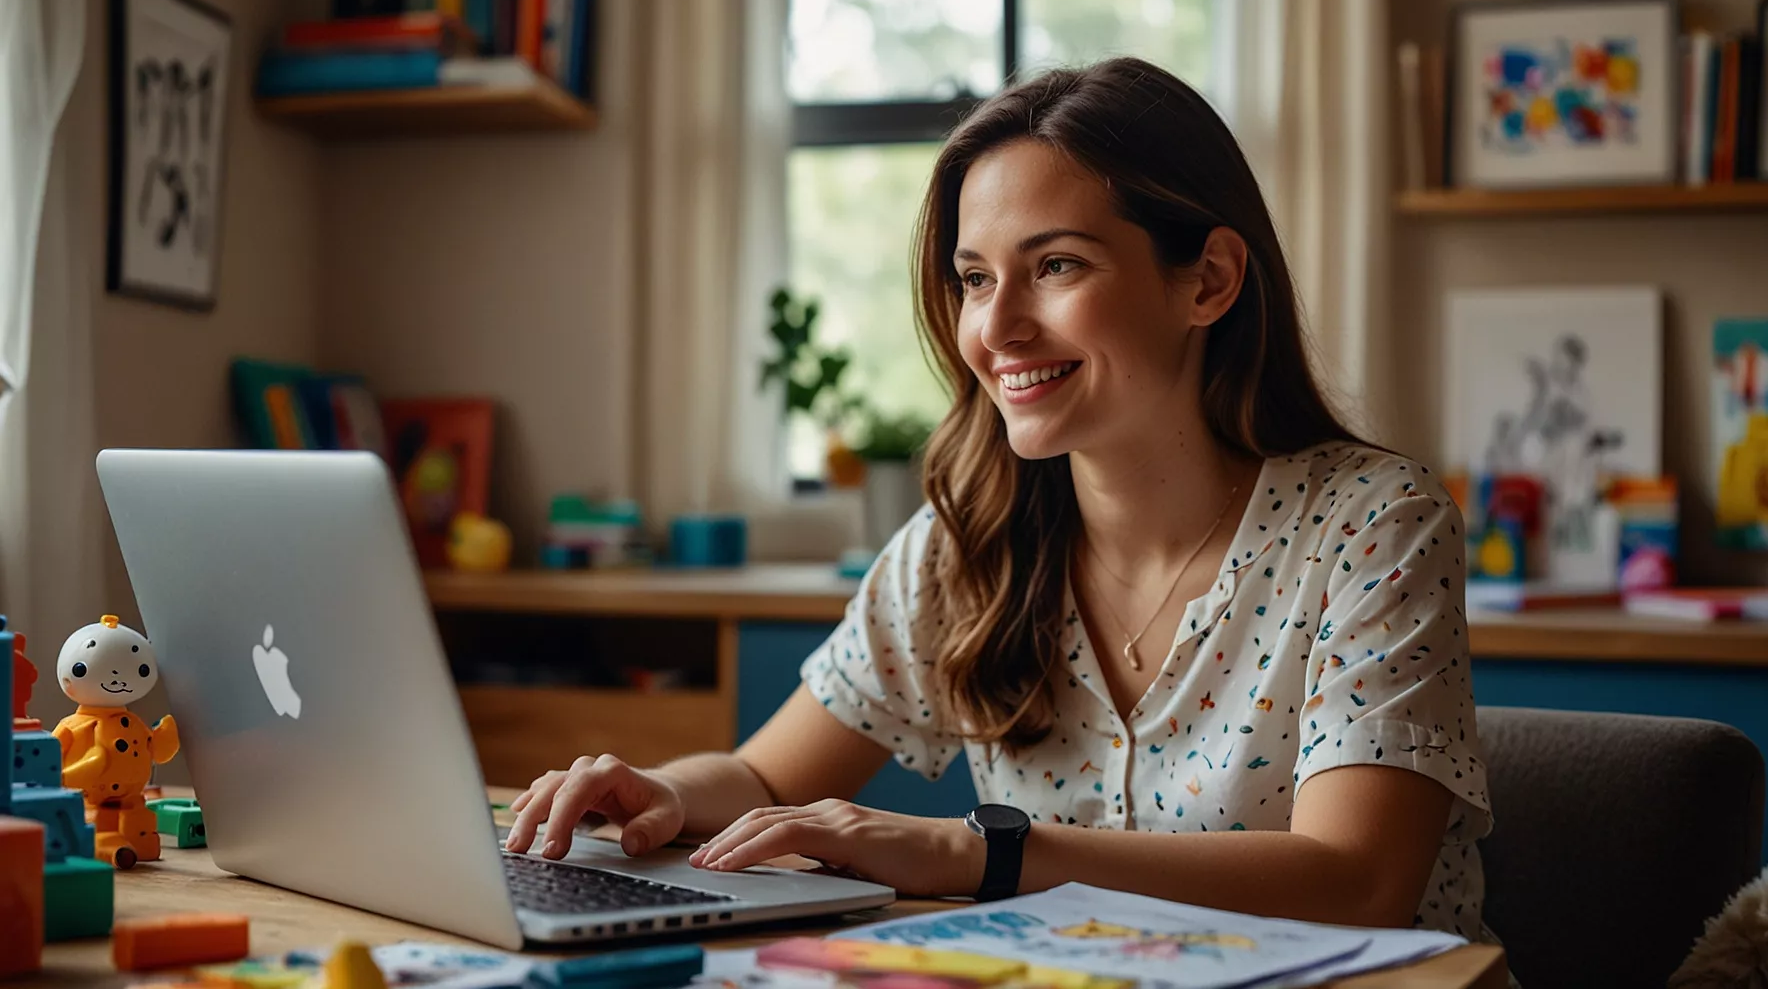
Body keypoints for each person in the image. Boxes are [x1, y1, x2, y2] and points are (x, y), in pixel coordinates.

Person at [507, 57, 1496, 945]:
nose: (998, 327)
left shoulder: (1373, 524)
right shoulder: (961, 549)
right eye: (975, 279)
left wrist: (973, 852)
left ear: (1209, 280)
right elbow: (768, 781)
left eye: (1055, 265)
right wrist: (664, 794)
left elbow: (1358, 880)